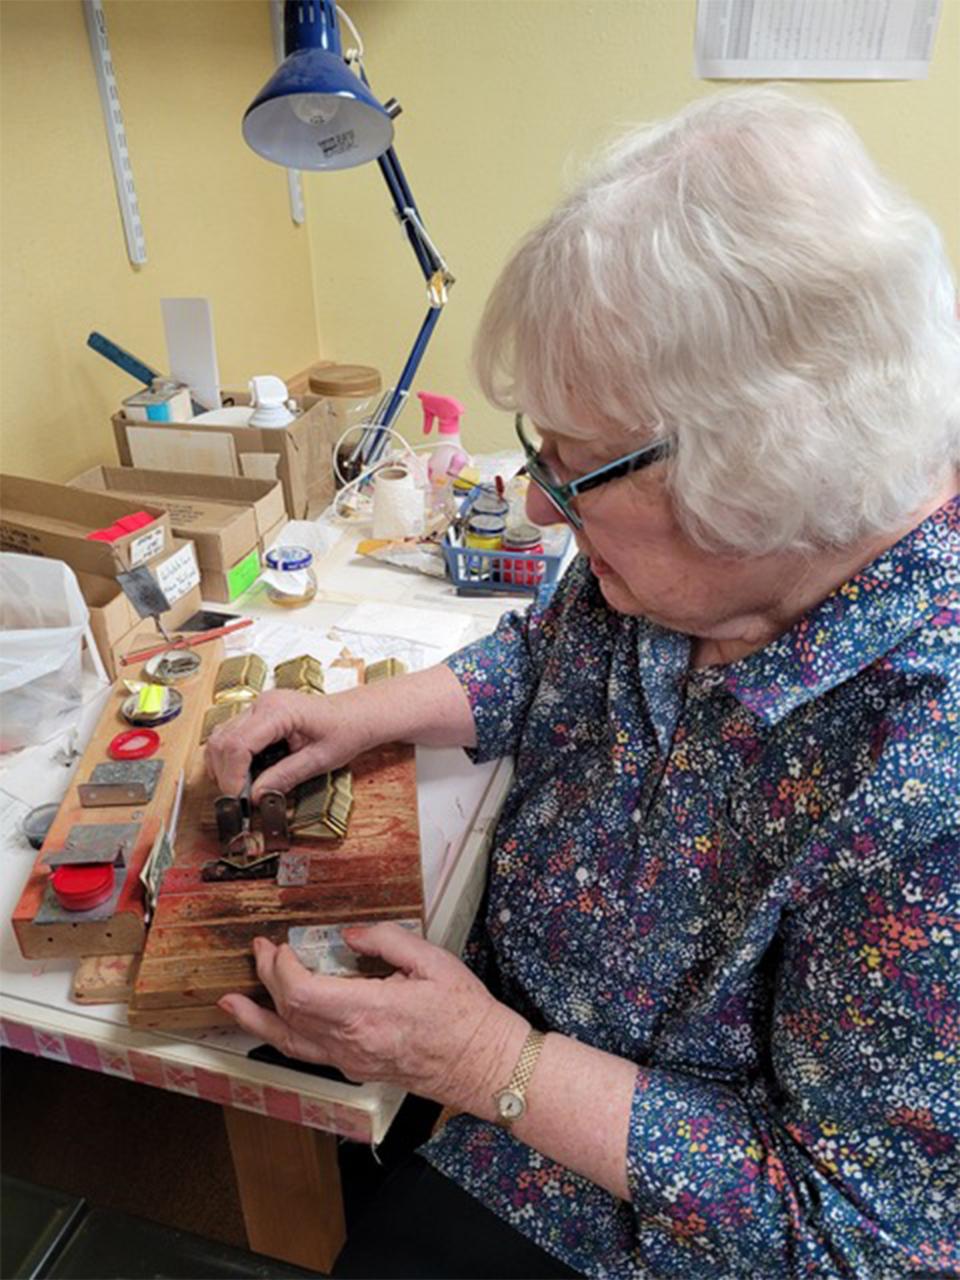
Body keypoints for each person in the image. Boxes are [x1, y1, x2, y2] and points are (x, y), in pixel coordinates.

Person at [206, 87, 959, 1279]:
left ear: (761, 472)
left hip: (632, 1208)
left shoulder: (926, 771)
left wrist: (490, 1064)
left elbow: (859, 1232)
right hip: (493, 1026)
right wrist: (362, 711)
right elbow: (552, 653)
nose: (542, 502)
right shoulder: (689, 566)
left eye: (575, 470)